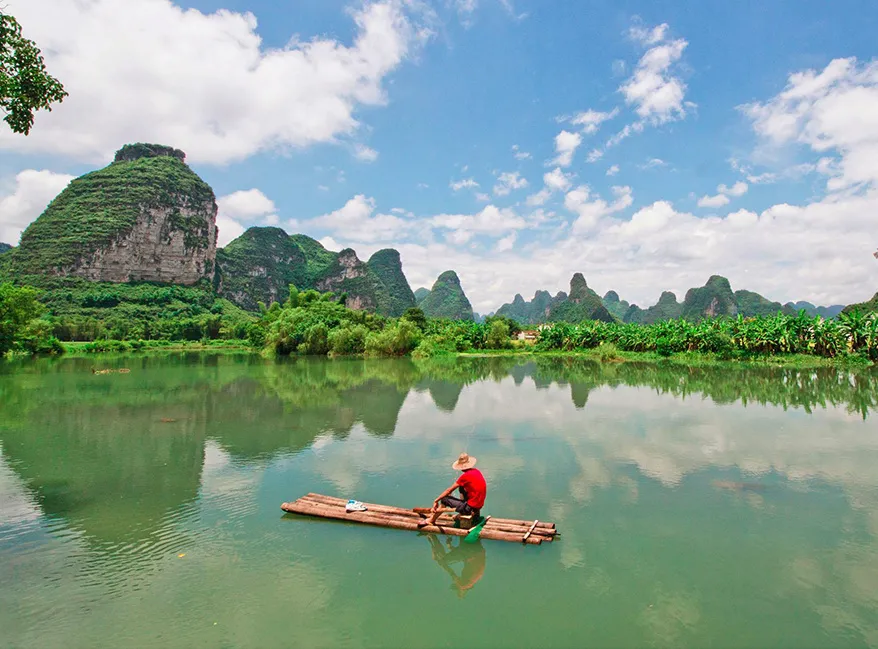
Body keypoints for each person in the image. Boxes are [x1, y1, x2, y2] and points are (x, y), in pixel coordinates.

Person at [418, 452, 486, 528]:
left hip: (469, 508)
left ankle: (431, 520)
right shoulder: (476, 471)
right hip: (478, 506)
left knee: (444, 499)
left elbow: (449, 490)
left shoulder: (465, 476)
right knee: (461, 487)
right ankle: (463, 510)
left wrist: (436, 500)